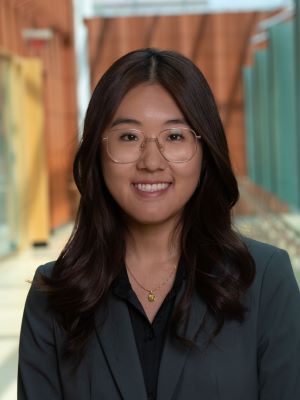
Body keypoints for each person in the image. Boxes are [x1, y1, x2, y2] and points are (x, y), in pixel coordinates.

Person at [18, 48, 300, 400]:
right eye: (129, 137)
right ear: (98, 153)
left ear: (205, 150)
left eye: (175, 137)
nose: (151, 162)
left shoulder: (264, 281)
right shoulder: (54, 294)